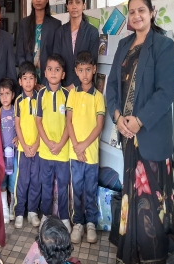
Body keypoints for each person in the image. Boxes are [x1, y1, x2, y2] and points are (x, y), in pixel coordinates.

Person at [106, 0, 174, 264]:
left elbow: (166, 91)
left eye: (141, 10)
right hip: (127, 135)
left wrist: (139, 120)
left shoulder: (163, 45)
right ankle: (130, 253)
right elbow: (112, 86)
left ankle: (152, 256)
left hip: (151, 135)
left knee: (152, 199)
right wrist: (117, 116)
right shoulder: (124, 45)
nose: (136, 16)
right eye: (132, 11)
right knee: (132, 195)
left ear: (152, 12)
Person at [66, 51, 105, 244]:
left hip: (91, 155)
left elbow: (99, 126)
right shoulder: (72, 94)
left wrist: (83, 146)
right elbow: (68, 121)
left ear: (94, 69)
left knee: (90, 189)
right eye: (81, 70)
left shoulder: (98, 96)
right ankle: (78, 223)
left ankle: (91, 223)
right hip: (75, 154)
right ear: (76, 71)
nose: (85, 74)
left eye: (88, 69)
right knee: (77, 189)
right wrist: (76, 146)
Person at [35, 54, 70, 233]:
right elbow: (38, 121)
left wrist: (61, 143)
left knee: (63, 185)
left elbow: (70, 123)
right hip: (45, 150)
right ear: (45, 73)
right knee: (46, 185)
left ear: (63, 74)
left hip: (63, 151)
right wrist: (48, 142)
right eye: (50, 69)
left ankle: (64, 217)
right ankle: (46, 216)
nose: (53, 73)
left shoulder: (68, 95)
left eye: (57, 69)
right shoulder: (41, 94)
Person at [16, 0, 61, 88]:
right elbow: (19, 55)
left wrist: (48, 81)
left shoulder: (55, 25)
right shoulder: (24, 24)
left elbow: (57, 55)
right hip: (28, 83)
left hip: (49, 81)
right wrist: (30, 79)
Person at [53, 0, 99, 90]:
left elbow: (92, 64)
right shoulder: (60, 32)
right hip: (62, 87)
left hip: (84, 89)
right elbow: (56, 61)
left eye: (78, 2)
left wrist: (74, 85)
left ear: (84, 5)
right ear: (67, 6)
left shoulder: (92, 32)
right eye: (71, 2)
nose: (74, 6)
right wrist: (60, 86)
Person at [14, 62, 41, 229]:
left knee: (36, 181)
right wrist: (24, 145)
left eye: (31, 78)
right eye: (25, 78)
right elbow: (17, 125)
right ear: (20, 81)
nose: (28, 82)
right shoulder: (18, 101)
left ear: (35, 81)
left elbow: (42, 124)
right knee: (22, 181)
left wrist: (36, 144)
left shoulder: (40, 98)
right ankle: (19, 212)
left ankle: (32, 211)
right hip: (23, 150)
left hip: (38, 149)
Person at [0, 78, 18, 223]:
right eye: (1, 94)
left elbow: (20, 127)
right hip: (2, 153)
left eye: (7, 93)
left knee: (14, 179)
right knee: (2, 179)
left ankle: (12, 207)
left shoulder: (16, 110)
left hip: (14, 152)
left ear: (13, 95)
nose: (4, 97)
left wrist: (18, 138)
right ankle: (4, 207)